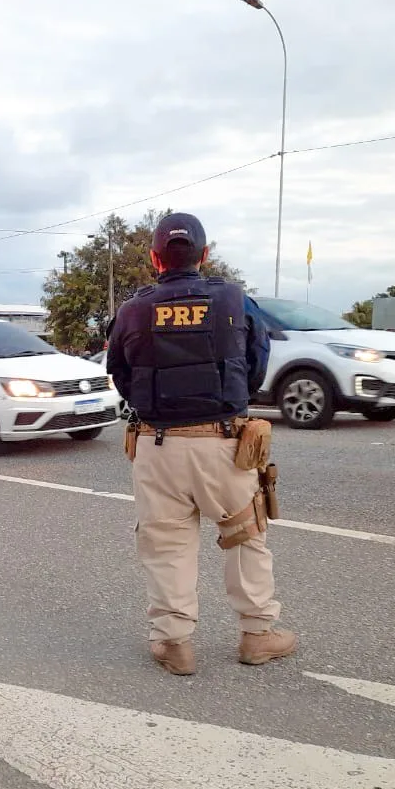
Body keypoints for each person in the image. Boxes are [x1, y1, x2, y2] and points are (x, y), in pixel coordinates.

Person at [107, 213, 295, 676]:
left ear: (154, 258)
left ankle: (175, 644)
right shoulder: (234, 299)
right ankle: (257, 634)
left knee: (166, 543)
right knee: (245, 534)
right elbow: (256, 363)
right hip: (224, 444)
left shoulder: (133, 309)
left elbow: (119, 372)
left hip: (157, 445)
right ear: (205, 255)